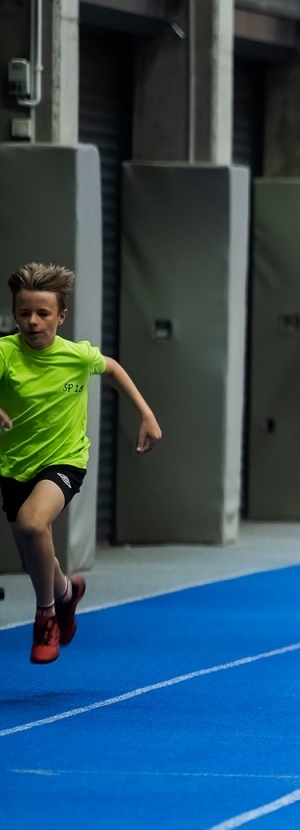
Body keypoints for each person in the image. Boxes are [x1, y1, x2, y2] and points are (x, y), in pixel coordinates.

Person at [2, 264, 162, 664]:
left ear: (61, 316)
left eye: (43, 314)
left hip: (64, 461)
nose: (33, 322)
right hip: (15, 465)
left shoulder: (76, 356)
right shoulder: (5, 352)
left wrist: (145, 413)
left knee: (32, 523)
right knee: (34, 554)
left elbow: (112, 369)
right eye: (24, 314)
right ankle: (67, 593)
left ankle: (45, 617)